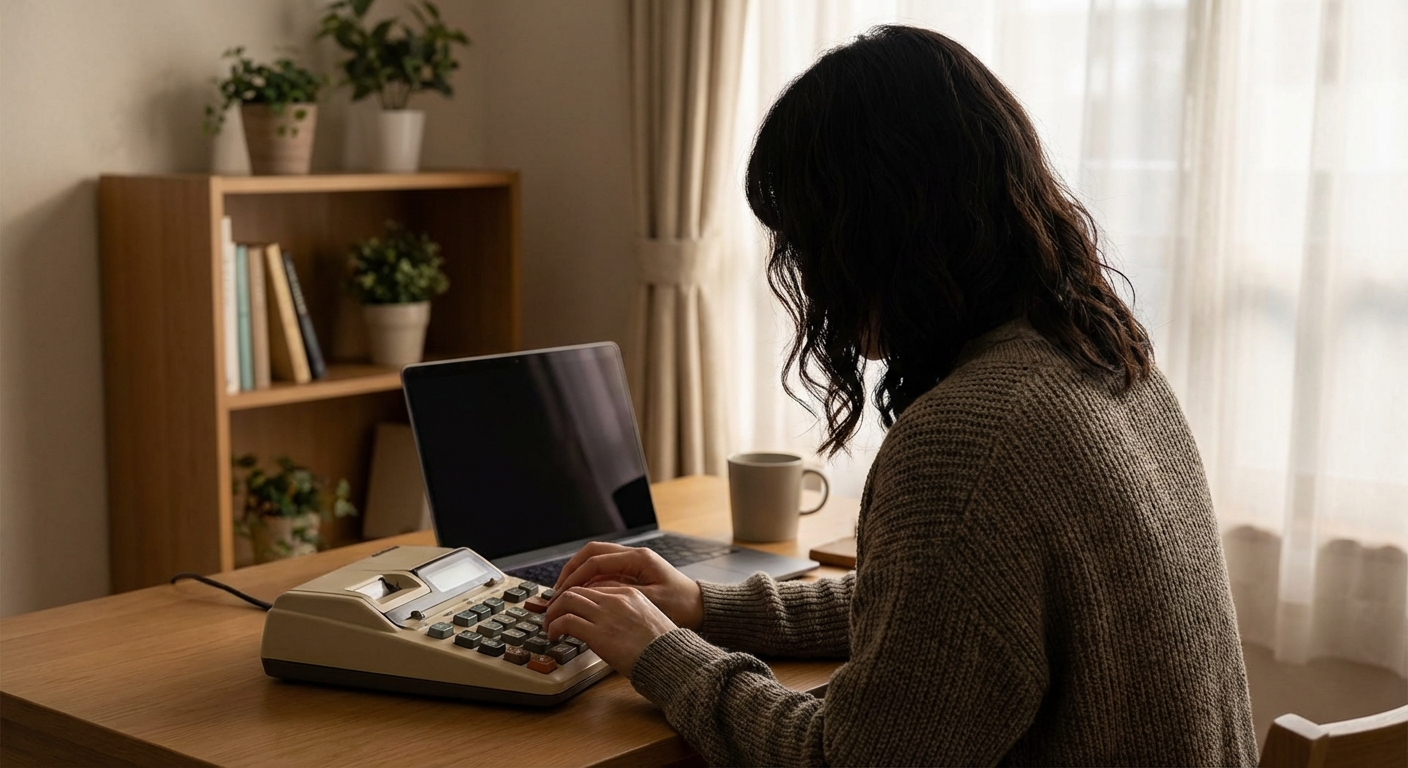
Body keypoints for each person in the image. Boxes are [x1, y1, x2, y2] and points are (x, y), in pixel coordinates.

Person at [543, 25, 1258, 766]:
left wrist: (662, 655)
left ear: (880, 232)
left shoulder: (971, 439)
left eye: (807, 242)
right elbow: (932, 617)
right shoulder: (1105, 361)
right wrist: (705, 608)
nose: (809, 281)